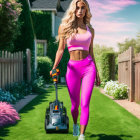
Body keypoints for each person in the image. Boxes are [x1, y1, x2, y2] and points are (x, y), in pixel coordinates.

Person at [50, 0, 101, 139]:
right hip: (72, 68)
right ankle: (75, 124)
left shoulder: (91, 29)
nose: (80, 10)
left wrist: (97, 73)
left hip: (88, 67)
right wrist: (54, 67)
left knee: (85, 103)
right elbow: (60, 50)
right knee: (74, 106)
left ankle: (82, 135)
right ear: (74, 9)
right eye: (77, 8)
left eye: (83, 8)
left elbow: (91, 52)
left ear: (86, 10)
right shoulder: (64, 27)